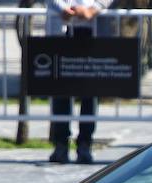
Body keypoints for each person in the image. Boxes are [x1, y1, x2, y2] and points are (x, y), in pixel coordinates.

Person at [46, 0, 113, 164]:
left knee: (89, 91)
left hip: (93, 30)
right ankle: (61, 144)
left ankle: (85, 144)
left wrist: (93, 9)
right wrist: (63, 9)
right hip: (61, 30)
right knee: (60, 89)